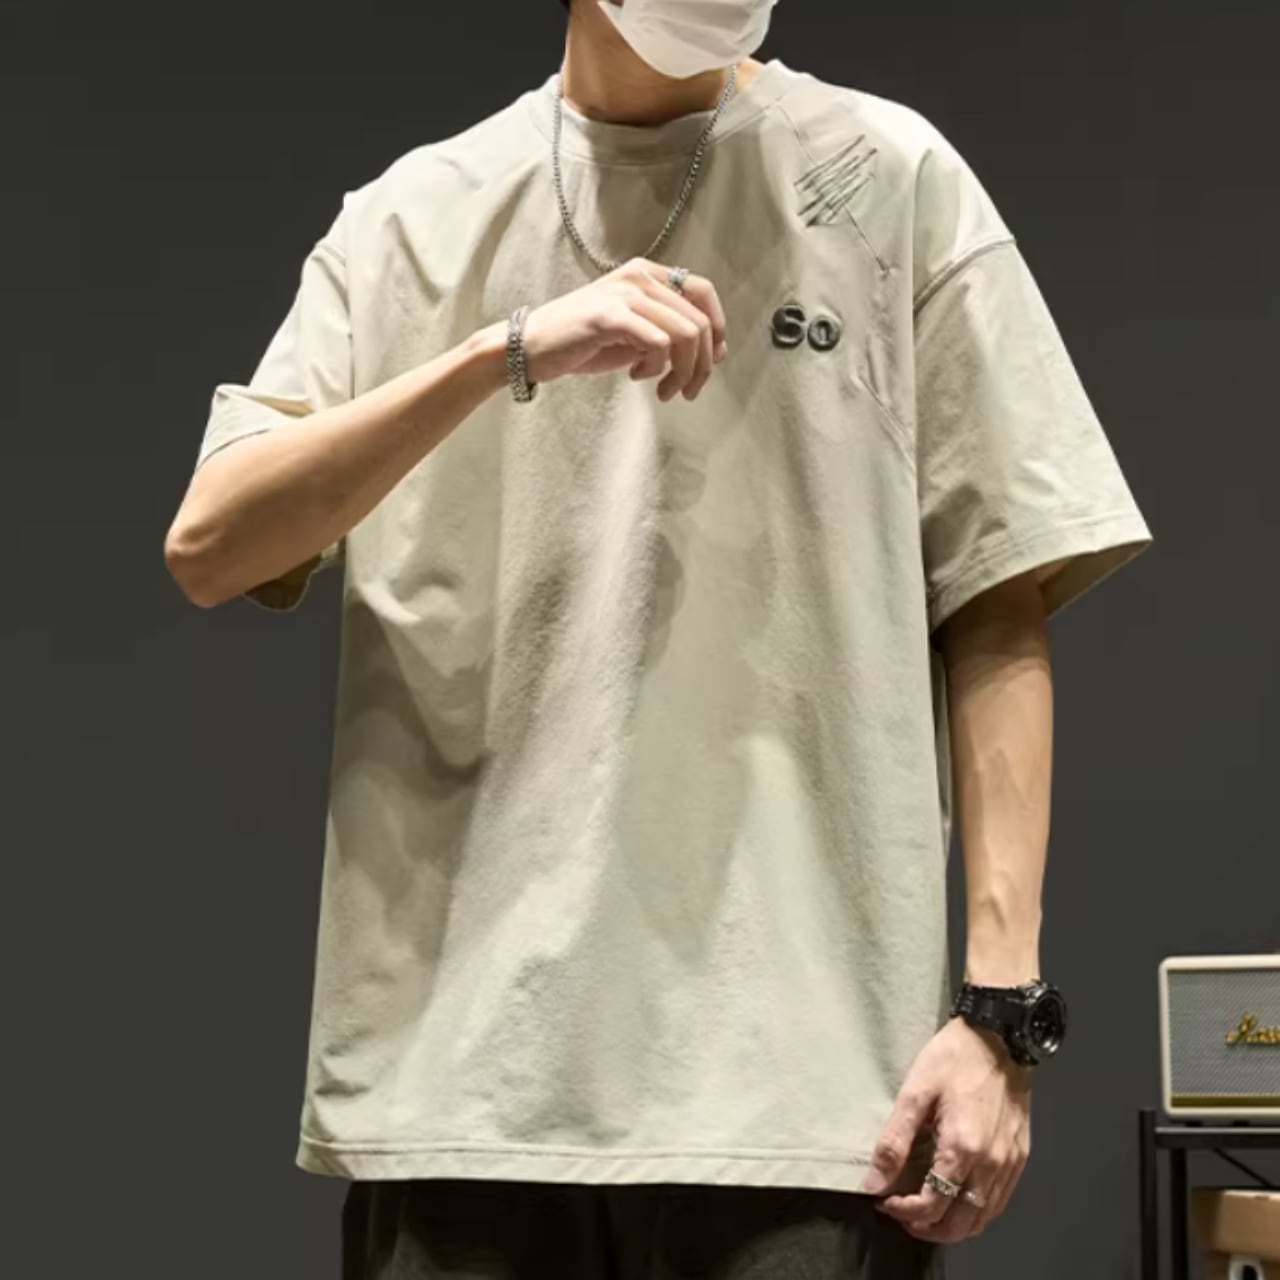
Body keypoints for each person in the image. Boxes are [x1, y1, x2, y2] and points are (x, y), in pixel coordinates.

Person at [164, 0, 1153, 1275]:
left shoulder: (888, 179)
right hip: (465, 1086)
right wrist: (505, 351)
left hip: (804, 1098)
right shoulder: (412, 216)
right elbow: (214, 543)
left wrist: (999, 1013)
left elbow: (996, 598)